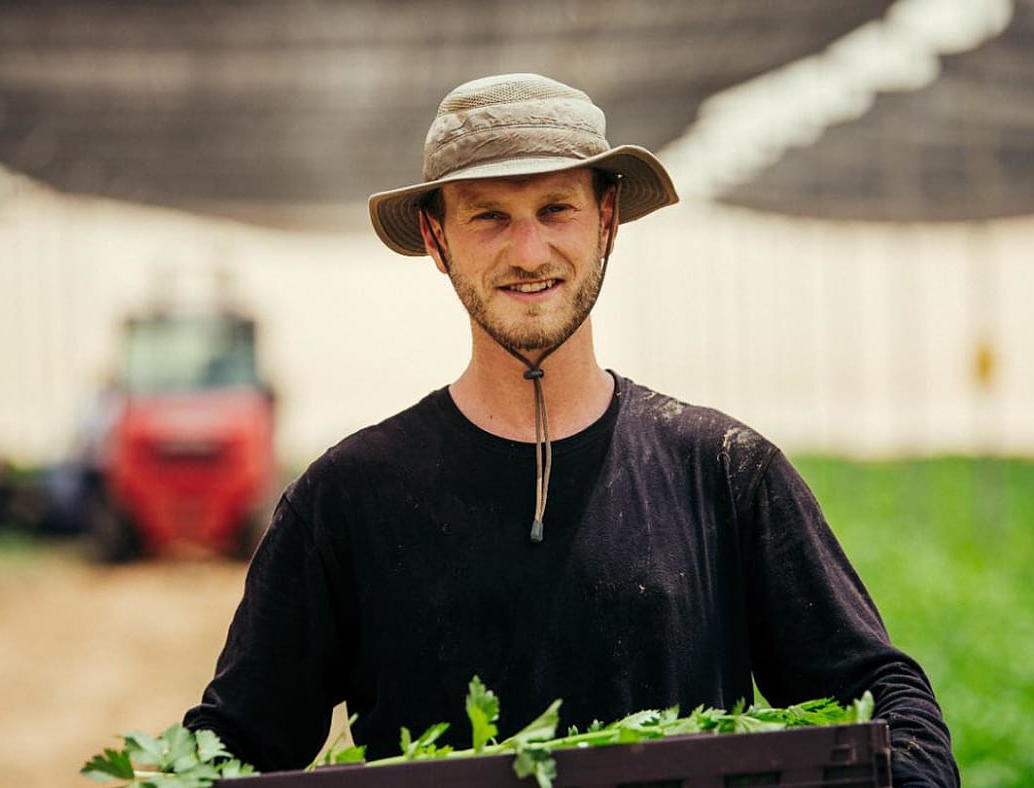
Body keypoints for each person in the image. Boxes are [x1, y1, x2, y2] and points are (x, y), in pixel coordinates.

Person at [184, 73, 959, 786]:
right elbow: (236, 741)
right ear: (435, 237)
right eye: (490, 217)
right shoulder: (347, 499)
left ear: (607, 221)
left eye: (556, 209)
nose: (530, 251)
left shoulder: (724, 472)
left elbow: (880, 694)